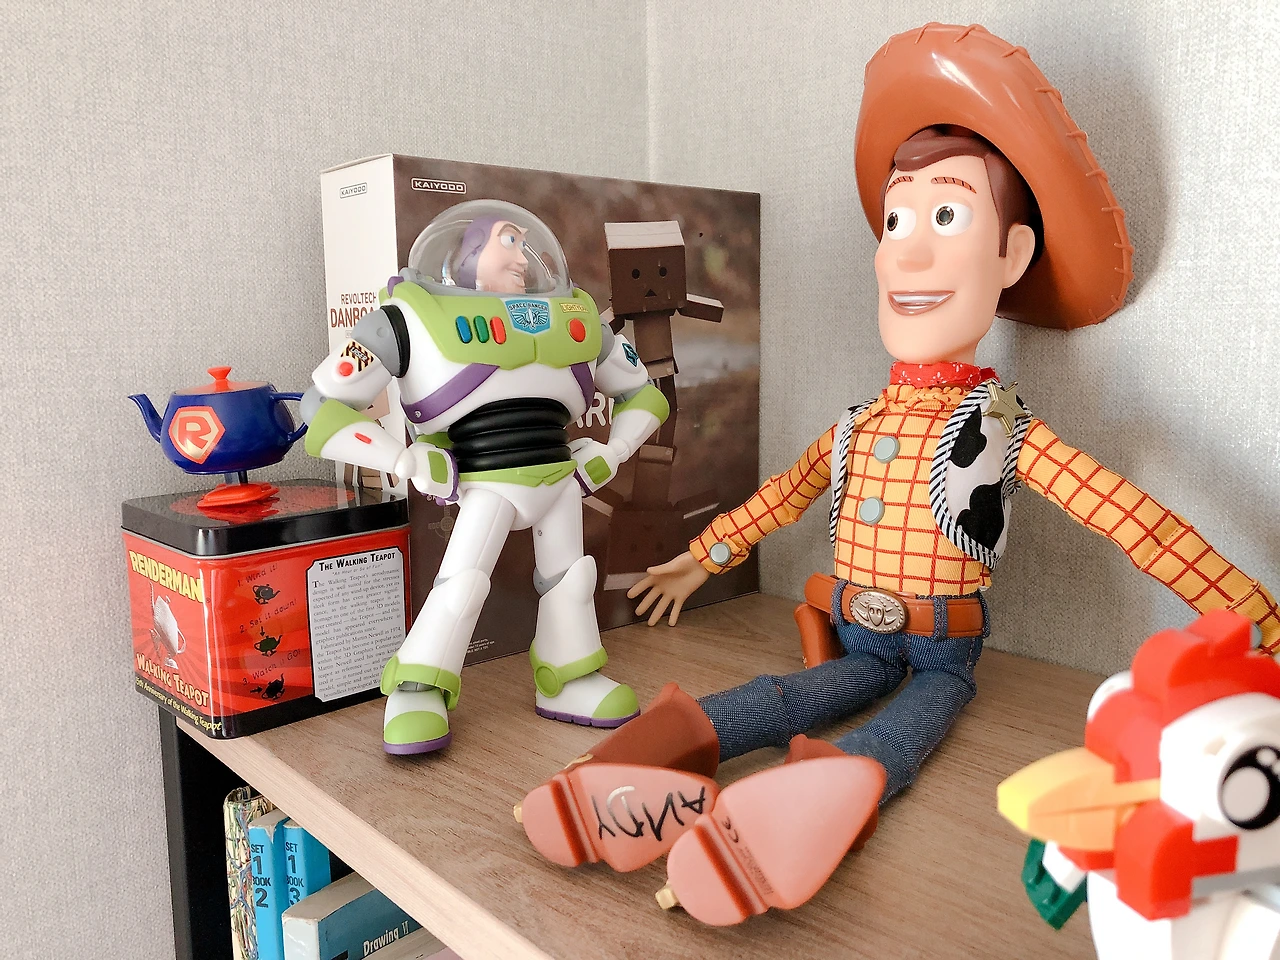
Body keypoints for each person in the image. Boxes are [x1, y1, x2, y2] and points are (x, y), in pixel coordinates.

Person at [516, 24, 1280, 925]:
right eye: (895, 221)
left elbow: (1132, 519)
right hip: (855, 634)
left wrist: (1254, 618)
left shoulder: (1003, 431)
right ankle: (622, 774)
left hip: (943, 653)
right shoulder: (859, 422)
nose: (906, 254)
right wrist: (707, 555)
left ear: (1012, 257)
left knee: (898, 738)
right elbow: (786, 494)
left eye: (946, 218)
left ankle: (774, 835)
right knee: (782, 698)